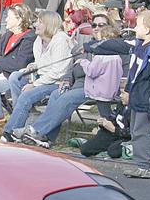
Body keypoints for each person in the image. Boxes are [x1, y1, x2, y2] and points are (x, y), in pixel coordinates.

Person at [88, 9, 150, 178]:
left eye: (138, 25)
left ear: (147, 30)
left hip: (146, 100)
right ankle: (141, 163)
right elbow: (116, 45)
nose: (134, 28)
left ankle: (144, 167)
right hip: (137, 97)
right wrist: (90, 47)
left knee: (141, 132)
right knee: (135, 131)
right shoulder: (139, 44)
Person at [19, 20, 123, 148]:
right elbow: (70, 67)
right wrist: (67, 79)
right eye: (94, 25)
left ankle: (36, 131)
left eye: (101, 25)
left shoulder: (113, 51)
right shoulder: (82, 47)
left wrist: (83, 62)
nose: (96, 28)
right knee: (56, 94)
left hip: (95, 88)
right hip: (79, 84)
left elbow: (112, 73)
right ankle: (47, 138)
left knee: (66, 98)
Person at [1, 11, 74, 142]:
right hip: (43, 77)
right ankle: (27, 117)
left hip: (58, 82)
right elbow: (44, 62)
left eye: (40, 22)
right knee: (15, 77)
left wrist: (34, 84)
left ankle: (10, 132)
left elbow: (59, 71)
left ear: (49, 25)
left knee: (26, 95)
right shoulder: (38, 40)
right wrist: (33, 65)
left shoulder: (60, 40)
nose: (35, 25)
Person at [0, 4, 37, 139]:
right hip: (4, 75)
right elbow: (1, 60)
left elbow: (19, 64)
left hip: (19, 78)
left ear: (19, 20)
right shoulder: (7, 36)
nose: (6, 20)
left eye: (9, 17)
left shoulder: (29, 38)